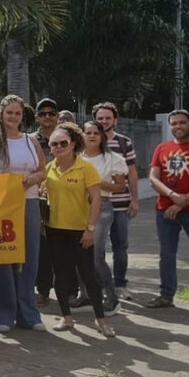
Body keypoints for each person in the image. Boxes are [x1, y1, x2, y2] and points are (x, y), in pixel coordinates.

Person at [0, 95, 47, 334]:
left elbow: (42, 169)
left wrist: (34, 178)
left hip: (28, 203)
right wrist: (2, 186)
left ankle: (27, 313)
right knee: (0, 259)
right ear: (1, 115)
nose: (14, 117)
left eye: (17, 113)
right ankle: (0, 313)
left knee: (29, 258)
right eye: (9, 113)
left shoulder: (31, 141)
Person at [43, 122, 114, 337]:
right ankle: (66, 319)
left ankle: (100, 320)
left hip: (79, 231)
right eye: (54, 144)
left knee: (88, 276)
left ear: (73, 144)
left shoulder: (86, 168)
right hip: (54, 230)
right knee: (60, 277)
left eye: (63, 143)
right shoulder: (48, 168)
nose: (58, 147)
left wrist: (90, 229)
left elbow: (96, 200)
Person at [147, 110, 189, 316]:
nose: (178, 126)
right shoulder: (162, 148)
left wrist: (180, 202)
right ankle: (166, 295)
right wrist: (171, 195)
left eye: (182, 123)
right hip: (164, 210)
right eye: (174, 123)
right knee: (166, 255)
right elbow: (153, 178)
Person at [93, 102, 139, 301]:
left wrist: (135, 199)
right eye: (100, 118)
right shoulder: (88, 141)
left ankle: (120, 285)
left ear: (115, 120)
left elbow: (132, 172)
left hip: (120, 204)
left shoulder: (123, 142)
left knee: (120, 247)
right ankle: (102, 285)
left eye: (108, 118)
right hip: (97, 205)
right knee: (97, 249)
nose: (104, 121)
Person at [82, 120, 129, 316]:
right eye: (88, 132)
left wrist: (97, 184)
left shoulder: (113, 158)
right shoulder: (76, 158)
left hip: (102, 207)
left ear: (102, 136)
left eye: (96, 132)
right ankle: (85, 295)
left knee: (96, 257)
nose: (92, 135)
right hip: (77, 209)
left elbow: (121, 186)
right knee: (80, 255)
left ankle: (112, 298)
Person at [33, 98, 60, 307]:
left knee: (64, 245)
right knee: (42, 247)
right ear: (37, 117)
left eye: (51, 113)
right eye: (43, 113)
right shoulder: (31, 140)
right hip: (39, 198)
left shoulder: (67, 138)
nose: (48, 117)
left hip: (65, 197)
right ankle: (43, 290)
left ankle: (69, 290)